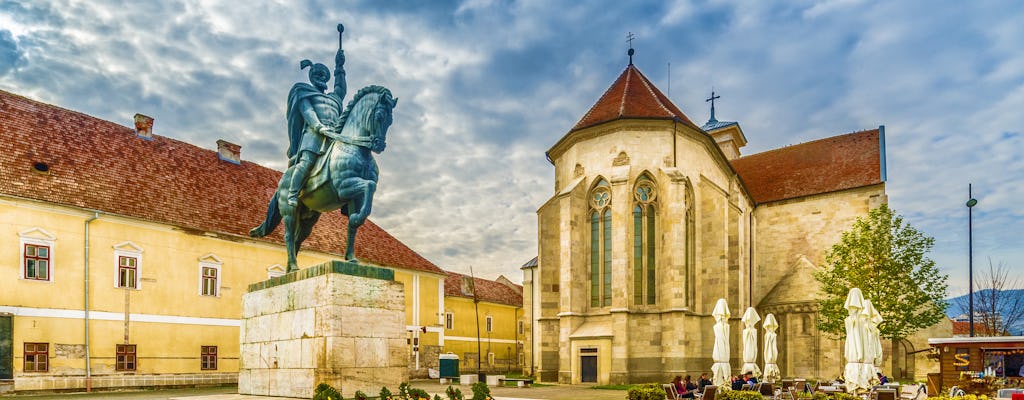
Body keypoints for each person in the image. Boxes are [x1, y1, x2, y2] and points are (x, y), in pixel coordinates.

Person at [286, 24, 348, 207]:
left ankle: (346, 200)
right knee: (306, 162)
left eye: (324, 74)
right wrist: (319, 127)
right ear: (312, 77)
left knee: (348, 162)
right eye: (317, 74)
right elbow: (307, 112)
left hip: (334, 137)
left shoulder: (334, 98)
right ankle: (292, 193)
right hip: (313, 134)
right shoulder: (304, 92)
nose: (320, 76)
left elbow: (341, 87)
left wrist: (339, 67)